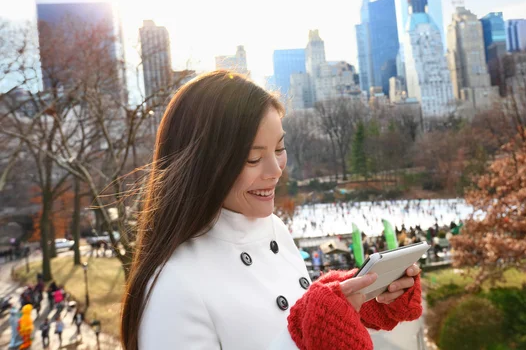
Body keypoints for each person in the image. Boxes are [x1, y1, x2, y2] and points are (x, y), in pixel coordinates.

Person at [120, 71, 422, 350]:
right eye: (253, 158)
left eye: (279, 149)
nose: (275, 170)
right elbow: (293, 330)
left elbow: (285, 317)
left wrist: (361, 300)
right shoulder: (173, 287)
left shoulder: (274, 229)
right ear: (204, 165)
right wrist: (306, 332)